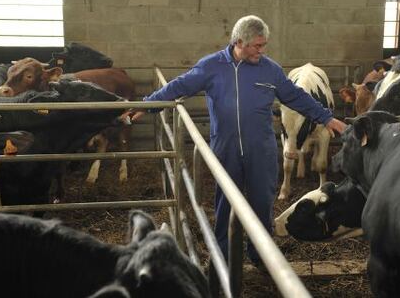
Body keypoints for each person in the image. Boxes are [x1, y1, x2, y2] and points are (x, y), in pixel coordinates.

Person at [125, 15, 346, 267]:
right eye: (257, 46)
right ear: (239, 42)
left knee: (262, 203)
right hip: (226, 148)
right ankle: (224, 256)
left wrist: (327, 118)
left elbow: (295, 97)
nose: (262, 51)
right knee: (225, 202)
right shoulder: (212, 66)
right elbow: (179, 86)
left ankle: (260, 254)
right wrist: (146, 106)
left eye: (264, 45)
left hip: (260, 149)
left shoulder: (269, 69)